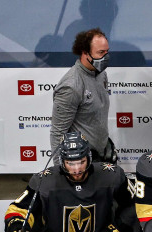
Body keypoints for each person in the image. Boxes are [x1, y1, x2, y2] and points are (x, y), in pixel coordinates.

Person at [3, 132, 135, 232]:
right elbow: (19, 209)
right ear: (61, 161)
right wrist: (16, 228)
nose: (77, 169)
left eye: (81, 162)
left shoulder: (111, 175)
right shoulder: (43, 180)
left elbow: (134, 204)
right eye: (70, 163)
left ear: (89, 158)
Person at [50, 28, 115, 163]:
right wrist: (60, 171)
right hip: (80, 160)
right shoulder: (71, 86)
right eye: (101, 53)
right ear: (85, 53)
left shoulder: (101, 73)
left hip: (102, 153)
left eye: (107, 52)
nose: (106, 57)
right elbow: (58, 133)